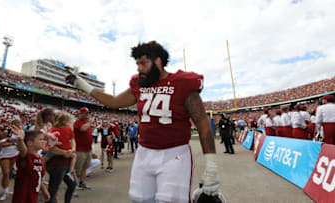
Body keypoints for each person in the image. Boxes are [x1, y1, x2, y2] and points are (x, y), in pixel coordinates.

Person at [66, 41, 224, 202]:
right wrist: (83, 85)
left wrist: (211, 166)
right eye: (137, 64)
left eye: (143, 63)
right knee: (139, 199)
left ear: (158, 61)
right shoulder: (139, 84)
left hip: (174, 154)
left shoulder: (182, 82)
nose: (139, 68)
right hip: (144, 153)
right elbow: (113, 101)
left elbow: (202, 123)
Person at [11, 128, 50, 203]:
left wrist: (44, 190)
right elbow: (23, 150)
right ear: (30, 143)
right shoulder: (27, 156)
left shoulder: (38, 157)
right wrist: (20, 140)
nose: (44, 141)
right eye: (40, 139)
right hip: (22, 197)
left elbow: (37, 177)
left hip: (33, 195)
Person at [48, 112, 77, 182]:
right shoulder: (54, 130)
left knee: (71, 184)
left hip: (66, 152)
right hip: (59, 157)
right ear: (64, 121)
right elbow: (51, 147)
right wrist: (66, 152)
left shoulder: (67, 129)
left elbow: (72, 140)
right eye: (68, 121)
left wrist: (72, 149)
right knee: (55, 183)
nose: (69, 122)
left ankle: (71, 172)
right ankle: (71, 171)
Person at [0, 118, 22, 201]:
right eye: (15, 123)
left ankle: (5, 190)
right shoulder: (7, 132)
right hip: (5, 154)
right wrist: (11, 143)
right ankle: (3, 191)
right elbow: (1, 145)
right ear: (12, 124)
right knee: (6, 173)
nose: (17, 124)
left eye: (19, 123)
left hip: (14, 154)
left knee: (8, 173)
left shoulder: (21, 133)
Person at [73, 107, 93, 190]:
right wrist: (90, 122)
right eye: (86, 113)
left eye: (88, 113)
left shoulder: (86, 122)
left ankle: (81, 182)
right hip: (80, 149)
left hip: (87, 149)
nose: (87, 115)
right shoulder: (77, 122)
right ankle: (72, 185)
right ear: (80, 114)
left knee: (84, 167)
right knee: (77, 169)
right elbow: (82, 129)